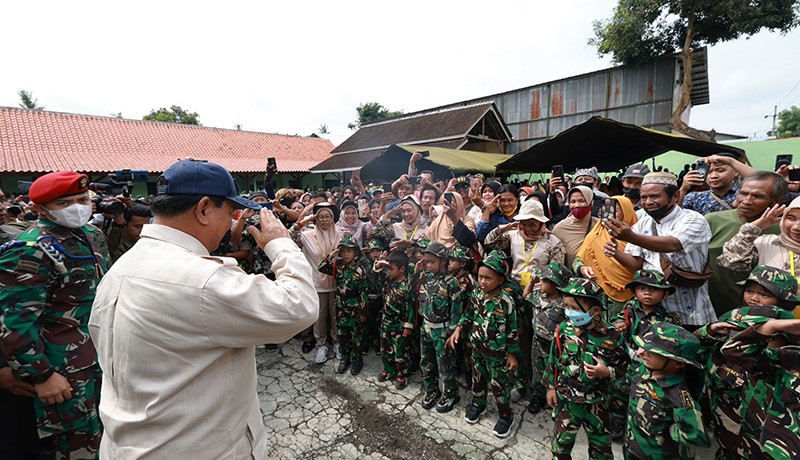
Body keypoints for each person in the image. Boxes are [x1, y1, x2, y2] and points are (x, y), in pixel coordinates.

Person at [89, 159, 317, 459]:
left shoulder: (121, 268)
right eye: (230, 212)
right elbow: (299, 306)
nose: (232, 222)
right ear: (204, 208)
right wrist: (281, 245)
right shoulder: (201, 280)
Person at [0, 171, 109, 459]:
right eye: (65, 202)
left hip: (100, 358)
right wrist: (42, 375)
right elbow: (15, 320)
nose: (77, 207)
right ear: (39, 209)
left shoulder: (92, 235)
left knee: (106, 440)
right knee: (76, 448)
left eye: (82, 199)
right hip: (63, 370)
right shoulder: (29, 249)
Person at [604, 172, 715, 328]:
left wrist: (631, 237)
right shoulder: (641, 224)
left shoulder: (693, 219)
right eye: (643, 198)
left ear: (675, 196)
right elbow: (636, 263)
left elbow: (673, 244)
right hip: (654, 312)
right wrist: (616, 253)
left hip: (690, 310)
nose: (648, 202)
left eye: (655, 197)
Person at [544, 278, 628, 460]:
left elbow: (626, 367)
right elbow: (554, 358)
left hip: (597, 402)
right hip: (567, 400)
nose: (568, 312)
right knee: (560, 447)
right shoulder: (563, 329)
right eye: (566, 306)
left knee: (601, 450)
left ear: (595, 310)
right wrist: (551, 387)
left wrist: (607, 372)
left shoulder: (612, 336)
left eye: (574, 308)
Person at [447, 250, 519, 438]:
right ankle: (478, 405)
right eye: (480, 277)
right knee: (477, 380)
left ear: (501, 280)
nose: (483, 281)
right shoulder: (477, 294)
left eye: (488, 278)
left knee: (498, 386)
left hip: (498, 354)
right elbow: (469, 314)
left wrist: (512, 354)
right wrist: (458, 329)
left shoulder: (506, 302)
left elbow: (512, 329)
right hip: (477, 349)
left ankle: (505, 416)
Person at [608, 270, 680, 441]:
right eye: (642, 288)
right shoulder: (629, 309)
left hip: (652, 365)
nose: (647, 293)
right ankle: (617, 423)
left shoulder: (668, 319)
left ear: (664, 294)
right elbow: (614, 322)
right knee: (619, 391)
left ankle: (640, 425)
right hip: (628, 360)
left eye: (653, 289)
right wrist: (619, 325)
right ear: (634, 291)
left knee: (645, 396)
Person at [705, 170, 786, 316]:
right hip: (714, 308)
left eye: (758, 196)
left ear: (777, 201)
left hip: (763, 314)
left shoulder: (784, 229)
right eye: (743, 193)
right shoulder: (712, 221)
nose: (747, 200)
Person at [626, 322, 710, 459]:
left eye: (653, 352)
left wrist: (666, 433)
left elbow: (696, 435)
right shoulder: (643, 371)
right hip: (633, 447)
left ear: (678, 363)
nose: (644, 352)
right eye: (645, 347)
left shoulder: (678, 395)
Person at [291, 202, 343, 362]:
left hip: (336, 282)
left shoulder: (341, 234)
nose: (325, 220)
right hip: (317, 284)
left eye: (328, 216)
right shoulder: (307, 235)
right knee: (319, 317)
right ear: (316, 219)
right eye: (321, 217)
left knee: (335, 316)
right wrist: (303, 222)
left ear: (333, 218)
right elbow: (289, 236)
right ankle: (321, 345)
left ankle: (336, 342)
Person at [418, 241, 464, 413]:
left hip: (442, 330)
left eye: (432, 261)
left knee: (445, 365)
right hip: (427, 327)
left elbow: (456, 310)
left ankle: (450, 394)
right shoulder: (426, 278)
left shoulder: (451, 283)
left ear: (443, 261)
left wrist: (451, 331)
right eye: (426, 261)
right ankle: (431, 390)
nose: (428, 265)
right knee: (427, 361)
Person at [574, 195, 638, 316]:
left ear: (627, 212)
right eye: (606, 210)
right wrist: (582, 268)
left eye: (616, 210)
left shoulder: (637, 236)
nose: (609, 214)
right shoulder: (596, 233)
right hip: (597, 294)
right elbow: (579, 258)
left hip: (630, 296)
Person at [524, 262, 572, 415]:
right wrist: (531, 282)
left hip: (555, 346)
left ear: (555, 284)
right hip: (537, 341)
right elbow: (526, 296)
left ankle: (556, 401)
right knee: (537, 370)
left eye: (544, 281)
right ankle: (538, 396)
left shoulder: (565, 304)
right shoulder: (539, 296)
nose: (540, 283)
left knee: (556, 373)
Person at [318, 234, 369, 375]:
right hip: (341, 307)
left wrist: (364, 312)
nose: (346, 254)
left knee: (356, 336)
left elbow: (364, 292)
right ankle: (345, 358)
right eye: (343, 251)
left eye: (349, 251)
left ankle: (357, 360)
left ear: (355, 252)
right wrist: (331, 255)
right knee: (342, 335)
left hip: (356, 308)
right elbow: (321, 267)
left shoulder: (360, 269)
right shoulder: (338, 265)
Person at [373, 250, 414, 389]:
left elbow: (411, 308)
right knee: (385, 348)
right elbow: (377, 277)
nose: (388, 271)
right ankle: (388, 370)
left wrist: (408, 326)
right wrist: (379, 265)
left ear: (402, 269)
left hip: (400, 326)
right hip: (386, 323)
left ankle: (403, 375)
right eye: (388, 268)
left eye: (391, 268)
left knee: (400, 352)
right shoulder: (388, 281)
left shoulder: (406, 286)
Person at [552, 186, 598, 267]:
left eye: (581, 201)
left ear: (591, 202)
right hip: (572, 277)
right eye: (573, 201)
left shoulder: (600, 225)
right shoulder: (560, 228)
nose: (577, 205)